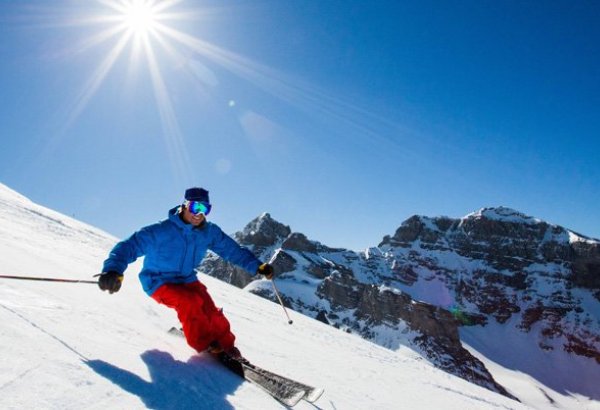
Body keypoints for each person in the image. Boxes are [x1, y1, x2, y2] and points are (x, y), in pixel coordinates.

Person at [97, 187, 274, 358]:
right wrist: (113, 270)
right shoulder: (161, 230)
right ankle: (205, 344)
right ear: (185, 205)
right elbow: (129, 246)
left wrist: (257, 266)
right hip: (158, 281)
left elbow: (232, 250)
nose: (199, 213)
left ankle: (227, 347)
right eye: (195, 207)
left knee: (210, 310)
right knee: (189, 302)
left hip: (187, 279)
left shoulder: (208, 232)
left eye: (205, 209)